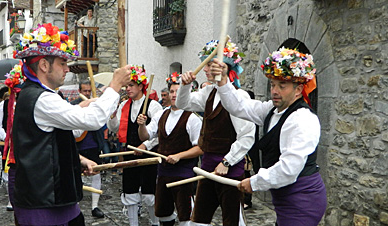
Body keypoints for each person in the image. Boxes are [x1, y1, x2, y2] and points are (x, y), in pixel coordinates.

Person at [12, 23, 131, 225]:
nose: (67, 68)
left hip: (55, 198)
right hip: (44, 201)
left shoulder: (42, 95)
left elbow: (67, 132)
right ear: (43, 65)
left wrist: (78, 160)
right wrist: (115, 86)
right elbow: (91, 121)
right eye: (62, 63)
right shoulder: (41, 99)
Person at [212, 47, 327, 225]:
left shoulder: (303, 119)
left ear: (298, 90)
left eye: (282, 86)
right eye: (273, 85)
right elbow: (238, 106)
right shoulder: (271, 111)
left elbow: (289, 169)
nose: (275, 91)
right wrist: (223, 81)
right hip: (284, 198)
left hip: (303, 199)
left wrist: (255, 182)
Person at [176, 39, 256, 226]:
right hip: (207, 167)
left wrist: (226, 162)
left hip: (230, 169)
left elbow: (247, 136)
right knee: (198, 221)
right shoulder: (208, 93)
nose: (204, 69)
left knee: (233, 222)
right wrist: (185, 85)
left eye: (209, 65)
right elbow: (183, 104)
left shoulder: (239, 96)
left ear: (224, 68)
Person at [137, 72, 203, 226]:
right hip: (163, 173)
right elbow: (145, 137)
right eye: (172, 91)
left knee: (186, 216)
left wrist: (179, 156)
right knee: (163, 214)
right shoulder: (161, 115)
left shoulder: (192, 118)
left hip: (184, 175)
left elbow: (200, 148)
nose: (174, 95)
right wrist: (141, 125)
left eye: (178, 92)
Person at [107, 65, 163, 226]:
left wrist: (145, 145)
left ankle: (155, 223)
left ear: (140, 86)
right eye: (126, 86)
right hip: (130, 153)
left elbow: (159, 133)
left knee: (149, 193)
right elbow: (114, 128)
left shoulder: (153, 106)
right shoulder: (124, 106)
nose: (128, 89)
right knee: (130, 190)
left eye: (131, 85)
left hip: (149, 155)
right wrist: (112, 114)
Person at [71, 80, 106, 218]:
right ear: (79, 91)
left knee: (96, 173)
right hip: (77, 145)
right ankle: (75, 206)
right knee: (75, 175)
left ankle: (95, 206)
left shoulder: (95, 105)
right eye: (84, 91)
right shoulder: (73, 105)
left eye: (88, 91)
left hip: (92, 144)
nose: (87, 93)